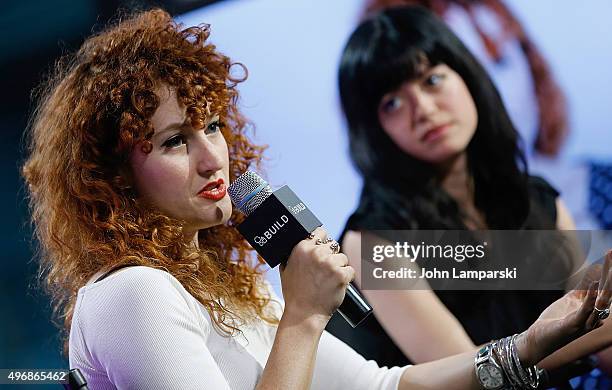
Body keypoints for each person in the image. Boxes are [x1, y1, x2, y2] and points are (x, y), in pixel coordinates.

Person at [22, 8, 611, 390]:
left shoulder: (533, 198)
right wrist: (303, 316)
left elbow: (383, 387)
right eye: (176, 141)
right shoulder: (133, 293)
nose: (213, 158)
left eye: (213, 127)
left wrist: (543, 338)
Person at [324, 4, 612, 378]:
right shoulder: (373, 241)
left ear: (467, 76)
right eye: (392, 103)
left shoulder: (539, 201)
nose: (423, 110)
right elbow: (474, 376)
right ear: (375, 131)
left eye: (431, 80)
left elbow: (598, 332)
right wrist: (589, 335)